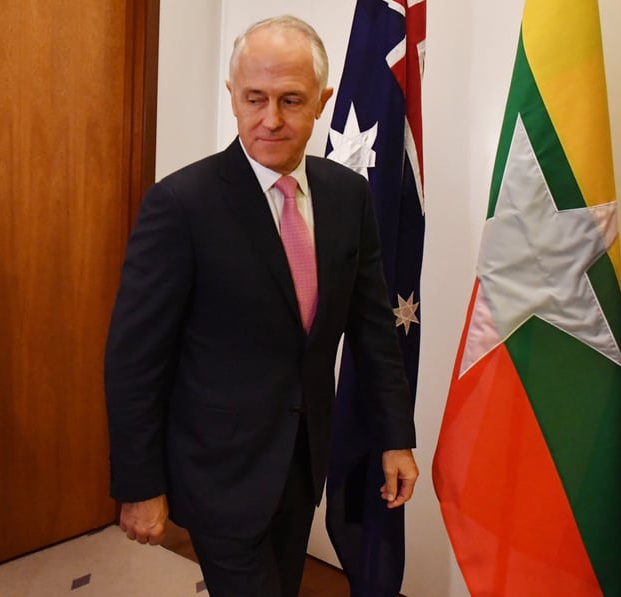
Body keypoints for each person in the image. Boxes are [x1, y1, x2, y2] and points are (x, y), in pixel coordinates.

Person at [105, 15, 418, 597]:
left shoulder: (348, 197)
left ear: (322, 101)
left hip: (303, 464)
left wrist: (396, 436)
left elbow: (374, 329)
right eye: (254, 98)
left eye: (291, 100)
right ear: (232, 96)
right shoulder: (181, 204)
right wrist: (140, 484)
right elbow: (134, 360)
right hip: (218, 472)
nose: (270, 119)